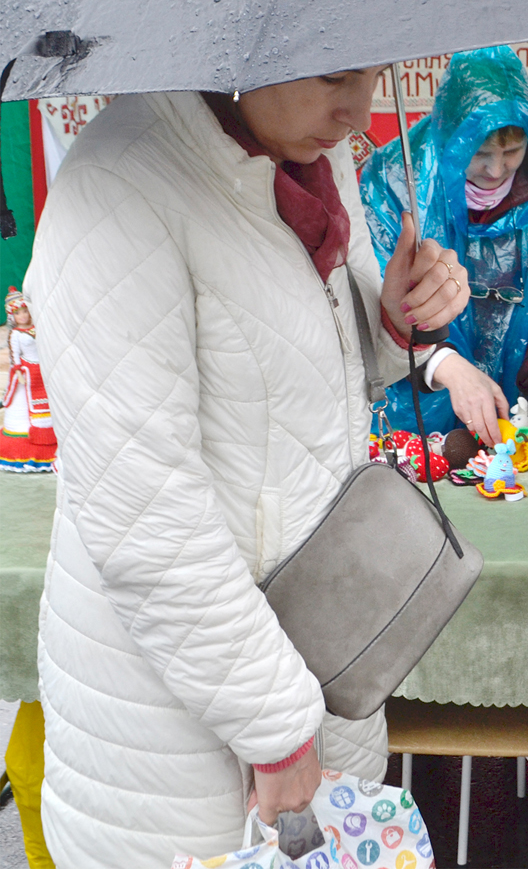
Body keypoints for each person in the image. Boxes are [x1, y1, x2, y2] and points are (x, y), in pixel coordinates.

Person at [22, 67, 469, 867]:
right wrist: (275, 728)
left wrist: (397, 319)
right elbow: (143, 518)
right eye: (334, 76)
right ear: (237, 52)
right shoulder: (118, 186)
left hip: (313, 677)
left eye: (369, 75)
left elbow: (321, 373)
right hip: (179, 743)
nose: (359, 112)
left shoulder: (309, 161)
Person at [360, 46, 528, 443]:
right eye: (480, 154)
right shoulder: (395, 177)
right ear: (452, 137)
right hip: (415, 406)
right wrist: (446, 364)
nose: (496, 170)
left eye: (512, 152)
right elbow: (373, 298)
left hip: (511, 409)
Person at [1, 287, 55, 471]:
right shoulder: (15, 334)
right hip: (27, 376)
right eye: (18, 313)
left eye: (25, 311)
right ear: (12, 316)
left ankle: (50, 435)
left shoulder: (36, 328)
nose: (23, 316)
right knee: (23, 407)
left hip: (42, 370)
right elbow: (14, 356)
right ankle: (30, 439)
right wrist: (18, 373)